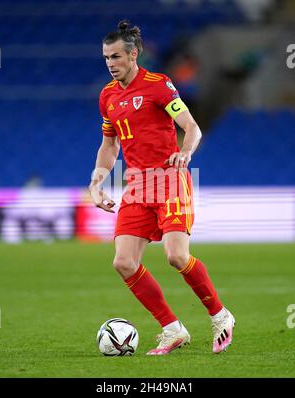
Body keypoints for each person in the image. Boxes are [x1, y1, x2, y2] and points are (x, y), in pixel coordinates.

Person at [89, 20, 235, 355]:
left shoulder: (159, 85)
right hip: (138, 185)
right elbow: (109, 146)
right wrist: (97, 183)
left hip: (169, 180)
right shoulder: (108, 96)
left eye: (116, 56)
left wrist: (185, 153)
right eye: (106, 58)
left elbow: (192, 127)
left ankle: (220, 316)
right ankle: (173, 329)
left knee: (175, 255)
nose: (110, 63)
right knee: (123, 262)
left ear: (133, 54)